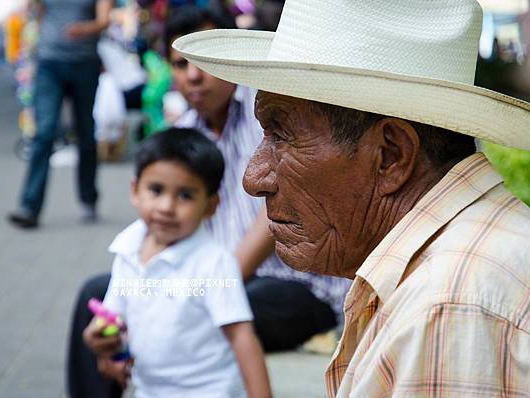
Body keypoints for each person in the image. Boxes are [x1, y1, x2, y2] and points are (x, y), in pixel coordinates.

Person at [174, 0, 530, 396]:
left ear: (391, 155)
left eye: (283, 135)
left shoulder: (445, 306)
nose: (253, 178)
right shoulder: (458, 261)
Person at [67, 5, 350, 398]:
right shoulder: (181, 134)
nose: (193, 76)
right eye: (180, 64)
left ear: (231, 58)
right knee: (97, 296)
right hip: (203, 279)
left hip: (292, 285)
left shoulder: (270, 115)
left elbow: (276, 212)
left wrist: (207, 285)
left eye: (204, 62)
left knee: (201, 308)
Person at [83, 128, 272, 398]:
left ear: (210, 206)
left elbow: (242, 338)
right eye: (156, 190)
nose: (166, 207)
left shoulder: (213, 263)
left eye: (185, 195)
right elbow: (114, 316)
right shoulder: (127, 249)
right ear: (135, 191)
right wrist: (101, 341)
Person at [8, 0, 114, 228]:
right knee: (43, 133)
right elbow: (38, 12)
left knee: (85, 132)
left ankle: (88, 198)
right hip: (49, 63)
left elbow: (105, 20)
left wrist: (83, 29)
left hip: (84, 63)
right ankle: (29, 206)